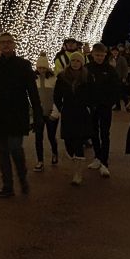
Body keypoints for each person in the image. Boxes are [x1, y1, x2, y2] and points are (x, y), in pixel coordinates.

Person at [0, 33, 43, 198]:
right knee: (3, 151)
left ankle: (22, 179)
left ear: (14, 44)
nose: (6, 45)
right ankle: (7, 186)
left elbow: (32, 92)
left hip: (17, 113)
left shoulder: (23, 65)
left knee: (15, 148)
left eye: (9, 42)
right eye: (3, 42)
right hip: (0, 113)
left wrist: (37, 114)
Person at [53, 51, 93, 185]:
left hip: (81, 113)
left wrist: (89, 106)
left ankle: (78, 173)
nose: (75, 63)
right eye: (73, 61)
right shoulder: (62, 77)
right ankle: (73, 160)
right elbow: (57, 95)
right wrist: (60, 107)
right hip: (68, 112)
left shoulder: (87, 77)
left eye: (78, 61)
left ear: (82, 63)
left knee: (78, 142)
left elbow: (91, 93)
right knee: (68, 142)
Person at [86, 43, 117, 177]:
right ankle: (97, 157)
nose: (99, 58)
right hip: (92, 106)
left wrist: (111, 102)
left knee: (105, 134)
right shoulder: (87, 68)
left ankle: (104, 162)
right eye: (97, 55)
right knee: (93, 133)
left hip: (105, 106)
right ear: (93, 54)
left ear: (105, 55)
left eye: (101, 55)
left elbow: (115, 87)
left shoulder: (110, 70)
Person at [32, 54, 59, 170]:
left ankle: (54, 153)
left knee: (51, 136)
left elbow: (57, 96)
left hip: (51, 112)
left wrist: (56, 111)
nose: (41, 70)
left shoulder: (53, 79)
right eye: (39, 68)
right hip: (39, 113)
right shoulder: (34, 79)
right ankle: (40, 160)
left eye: (43, 68)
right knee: (38, 137)